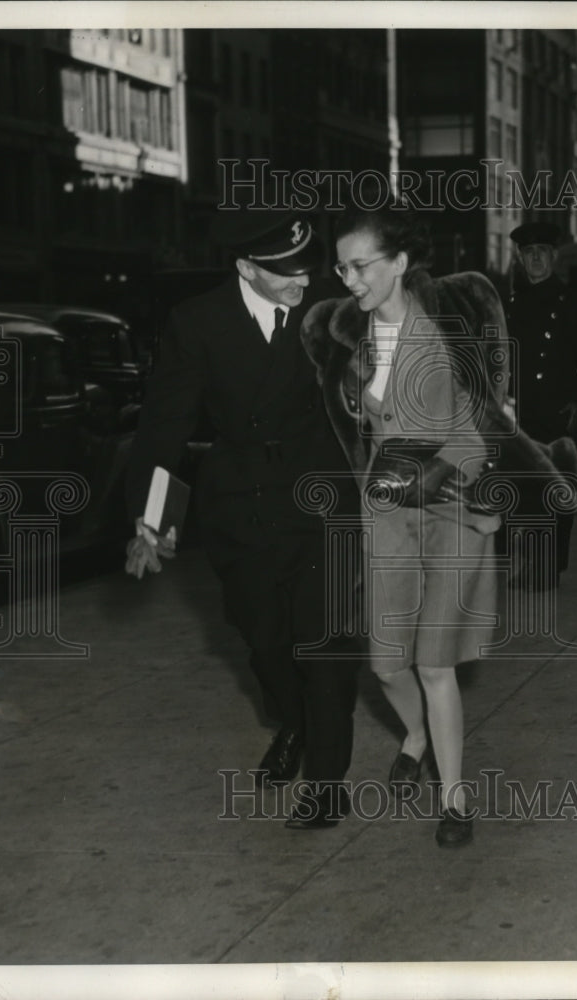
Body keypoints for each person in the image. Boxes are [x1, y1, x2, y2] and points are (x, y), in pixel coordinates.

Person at [301, 202, 577, 847]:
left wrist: (452, 475)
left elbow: (484, 428)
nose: (348, 279)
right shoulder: (353, 339)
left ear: (399, 264)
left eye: (361, 265)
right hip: (389, 516)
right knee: (386, 665)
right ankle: (418, 735)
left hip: (452, 508)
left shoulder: (450, 331)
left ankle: (454, 800)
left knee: (433, 665)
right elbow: (358, 438)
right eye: (341, 267)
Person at [124, 210, 359, 830]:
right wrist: (152, 521)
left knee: (325, 648)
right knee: (266, 646)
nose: (300, 284)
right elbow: (164, 429)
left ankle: (328, 784)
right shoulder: (197, 323)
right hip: (241, 506)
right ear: (244, 268)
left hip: (321, 500)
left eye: (307, 270)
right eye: (283, 274)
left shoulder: (334, 311)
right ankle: (296, 724)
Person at [506, 221, 577, 588]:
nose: (535, 258)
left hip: (559, 413)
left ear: (553, 257)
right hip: (521, 413)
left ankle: (549, 567)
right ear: (519, 257)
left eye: (542, 252)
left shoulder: (572, 302)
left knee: (558, 493)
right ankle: (529, 564)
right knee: (523, 493)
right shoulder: (510, 304)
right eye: (529, 253)